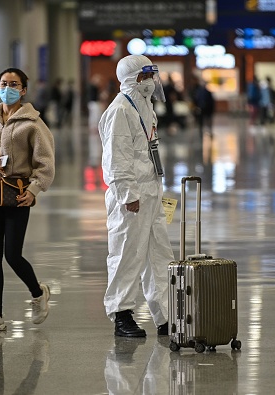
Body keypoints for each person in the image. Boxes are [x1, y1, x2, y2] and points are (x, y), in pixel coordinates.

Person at [0, 67, 55, 331]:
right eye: (4, 83)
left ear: (24, 90)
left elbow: (45, 162)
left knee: (13, 255)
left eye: (14, 84)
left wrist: (34, 190)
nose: (8, 88)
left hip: (17, 193)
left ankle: (38, 293)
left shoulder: (33, 124)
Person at [98, 54, 174, 337]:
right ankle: (121, 313)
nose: (150, 83)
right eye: (144, 77)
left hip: (151, 194)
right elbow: (116, 160)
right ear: (132, 79)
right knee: (126, 254)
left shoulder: (145, 107)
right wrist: (128, 194)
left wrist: (154, 190)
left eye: (151, 76)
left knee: (159, 255)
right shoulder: (121, 110)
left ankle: (166, 315)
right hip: (130, 198)